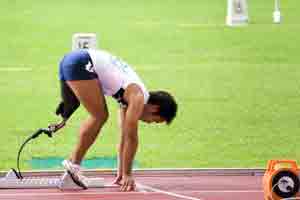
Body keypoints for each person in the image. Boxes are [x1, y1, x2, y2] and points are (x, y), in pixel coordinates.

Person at [55, 49, 177, 191]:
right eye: (155, 121)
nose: (150, 123)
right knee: (100, 116)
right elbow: (132, 138)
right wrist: (128, 174)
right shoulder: (138, 97)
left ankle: (73, 169)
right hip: (81, 63)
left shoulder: (130, 96)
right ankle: (73, 166)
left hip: (71, 60)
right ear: (155, 108)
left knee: (99, 115)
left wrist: (121, 173)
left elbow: (124, 137)